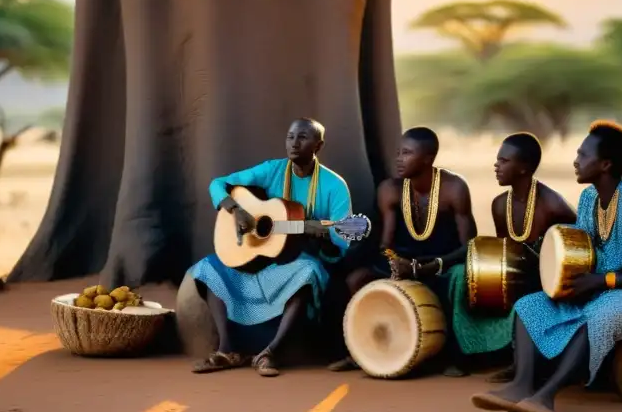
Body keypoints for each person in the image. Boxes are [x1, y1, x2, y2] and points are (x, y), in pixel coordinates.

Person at [471, 120, 622, 412]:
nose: (575, 161)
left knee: (599, 316)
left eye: (583, 155)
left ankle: (546, 397)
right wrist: (567, 279)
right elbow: (581, 250)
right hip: (600, 286)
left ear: (605, 164)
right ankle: (521, 386)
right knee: (531, 306)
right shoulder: (588, 199)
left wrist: (602, 281)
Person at [188, 118, 352, 378]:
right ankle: (227, 350)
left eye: (302, 137)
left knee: (308, 272)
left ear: (318, 145)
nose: (294, 143)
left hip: (297, 262)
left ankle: (271, 352)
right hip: (258, 259)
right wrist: (236, 209)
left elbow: (344, 242)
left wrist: (319, 232)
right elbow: (216, 184)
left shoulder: (333, 186)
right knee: (207, 267)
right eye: (290, 136)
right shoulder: (272, 170)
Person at [327, 127, 477, 376]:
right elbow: (385, 244)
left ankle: (454, 356)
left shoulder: (454, 189)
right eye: (398, 153)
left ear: (428, 158)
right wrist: (397, 264)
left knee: (461, 278)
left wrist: (429, 266)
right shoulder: (390, 189)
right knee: (357, 279)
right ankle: (360, 351)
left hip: (443, 265)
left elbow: (469, 247)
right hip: (403, 261)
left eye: (407, 153)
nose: (398, 159)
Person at [449, 132, 577, 367]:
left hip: (546, 281)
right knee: (464, 278)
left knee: (526, 295)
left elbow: (577, 249)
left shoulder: (552, 205)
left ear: (524, 168)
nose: (496, 166)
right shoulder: (500, 205)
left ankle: (518, 361)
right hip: (516, 275)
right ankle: (469, 353)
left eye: (504, 161)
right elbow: (504, 252)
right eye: (498, 160)